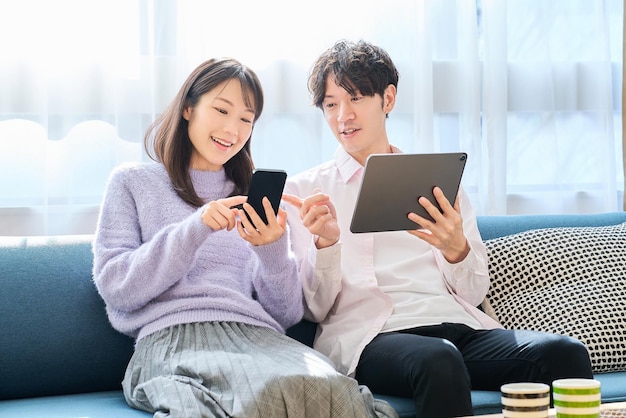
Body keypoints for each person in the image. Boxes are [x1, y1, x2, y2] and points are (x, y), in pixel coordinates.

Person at [282, 39, 594, 418]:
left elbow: (474, 290)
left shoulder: (439, 181)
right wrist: (328, 244)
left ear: (388, 98)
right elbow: (314, 310)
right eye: (331, 105)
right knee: (438, 359)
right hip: (371, 338)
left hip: (456, 326)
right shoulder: (305, 193)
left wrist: (455, 248)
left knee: (564, 354)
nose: (343, 116)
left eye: (357, 98)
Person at [92, 57, 397, 418]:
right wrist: (195, 228)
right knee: (246, 400)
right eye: (221, 110)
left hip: (259, 339)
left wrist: (270, 250)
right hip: (174, 338)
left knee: (334, 393)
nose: (232, 129)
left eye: (245, 119)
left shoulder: (250, 196)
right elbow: (117, 287)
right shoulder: (132, 183)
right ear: (188, 107)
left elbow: (284, 315)